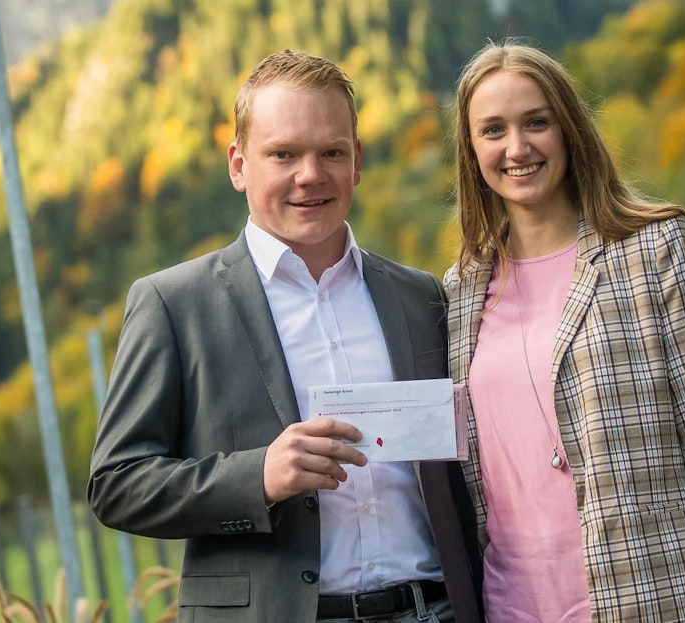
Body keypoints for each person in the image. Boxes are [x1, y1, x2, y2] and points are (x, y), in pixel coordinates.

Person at [88, 49, 482, 623]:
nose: (311, 174)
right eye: (284, 154)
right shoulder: (173, 304)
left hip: (437, 610)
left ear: (357, 162)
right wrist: (259, 478)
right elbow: (116, 484)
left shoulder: (420, 296)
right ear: (239, 165)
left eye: (331, 152)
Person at [444, 40, 685, 622]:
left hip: (659, 601)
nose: (517, 148)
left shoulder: (651, 251)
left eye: (536, 123)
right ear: (472, 152)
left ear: (568, 129)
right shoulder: (459, 292)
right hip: (510, 608)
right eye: (493, 130)